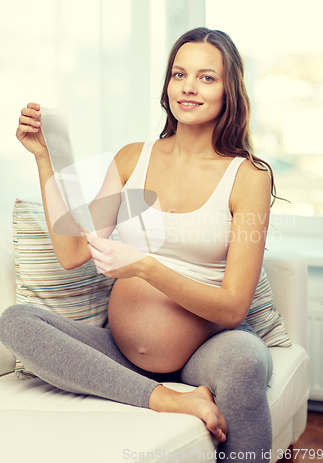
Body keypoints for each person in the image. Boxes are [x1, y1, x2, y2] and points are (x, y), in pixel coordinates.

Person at [0, 27, 276, 462]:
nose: (188, 87)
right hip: (119, 352)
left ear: (230, 90)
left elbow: (233, 308)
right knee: (16, 321)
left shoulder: (249, 177)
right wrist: (43, 157)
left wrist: (146, 267)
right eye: (179, 74)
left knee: (248, 359)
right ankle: (165, 398)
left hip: (202, 352)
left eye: (206, 77)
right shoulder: (133, 159)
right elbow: (73, 253)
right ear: (167, 84)